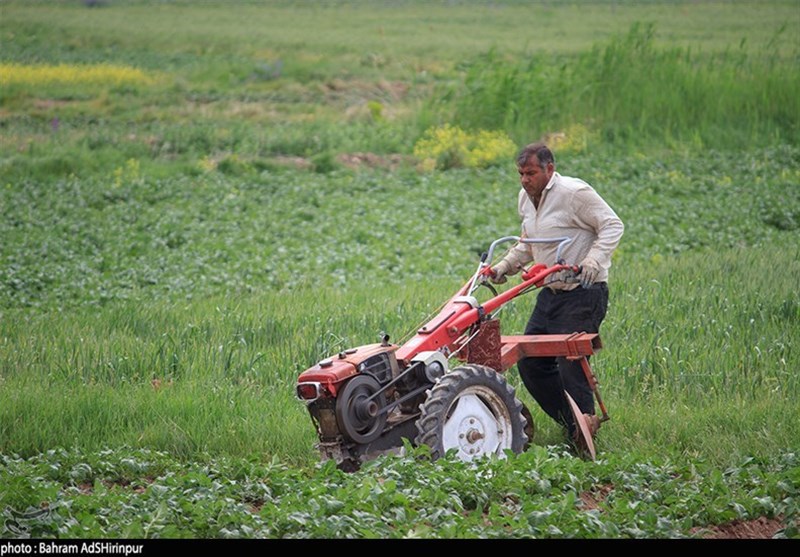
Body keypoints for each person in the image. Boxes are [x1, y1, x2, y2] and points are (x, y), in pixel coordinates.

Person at [484, 142, 624, 448]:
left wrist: (592, 260)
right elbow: (528, 243)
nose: (524, 179)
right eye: (520, 173)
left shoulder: (574, 194)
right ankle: (571, 424)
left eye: (530, 173)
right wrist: (501, 268)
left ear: (550, 168)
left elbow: (613, 225)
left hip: (583, 292)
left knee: (570, 360)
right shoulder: (525, 198)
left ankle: (585, 433)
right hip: (550, 293)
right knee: (531, 364)